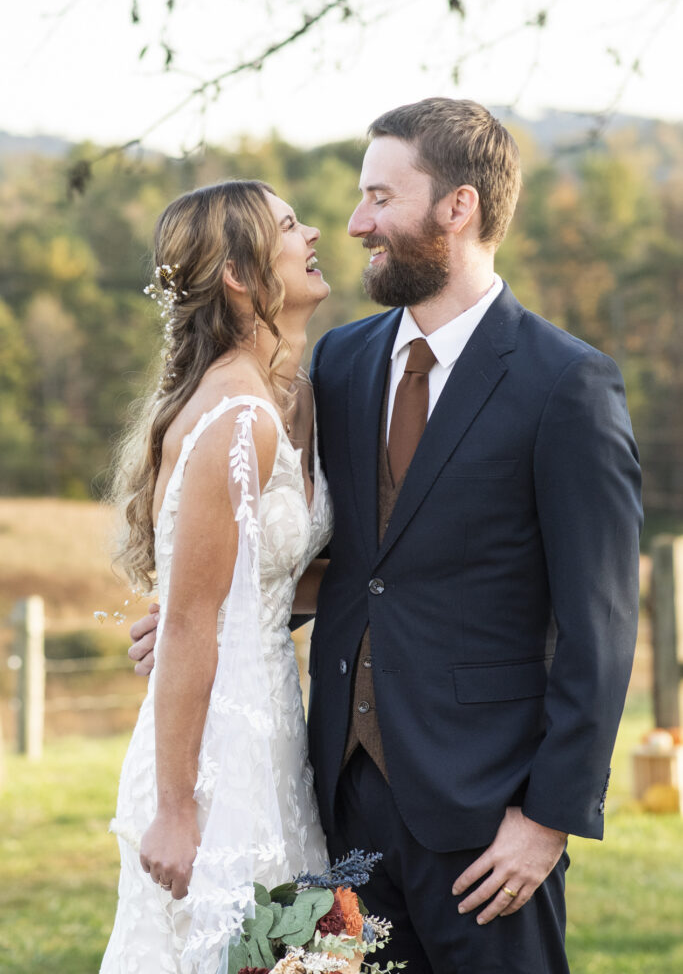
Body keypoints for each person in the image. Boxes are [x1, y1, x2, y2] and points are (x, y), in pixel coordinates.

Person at [131, 99, 643, 973]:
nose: (356, 222)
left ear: (458, 208)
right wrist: (212, 610)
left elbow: (599, 623)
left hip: (489, 817)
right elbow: (353, 563)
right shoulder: (340, 363)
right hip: (338, 801)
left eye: (378, 197)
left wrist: (547, 820)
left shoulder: (567, 385)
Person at [101, 180, 332, 974]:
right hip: (218, 753)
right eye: (291, 226)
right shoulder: (238, 418)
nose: (313, 236)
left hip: (269, 721)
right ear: (239, 274)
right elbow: (197, 621)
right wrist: (174, 810)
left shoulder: (270, 396)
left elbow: (244, 590)